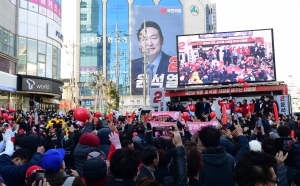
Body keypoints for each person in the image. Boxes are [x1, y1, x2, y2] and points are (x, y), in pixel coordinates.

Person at [131, 21, 173, 95]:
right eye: (144, 39)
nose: (150, 43)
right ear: (139, 44)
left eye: (154, 38)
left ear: (162, 40)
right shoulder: (132, 66)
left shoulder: (174, 64)